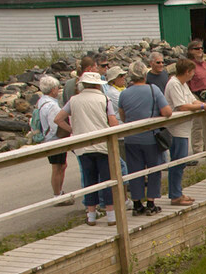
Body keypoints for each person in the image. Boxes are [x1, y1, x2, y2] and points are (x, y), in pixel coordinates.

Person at [54, 71, 119, 226]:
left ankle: (91, 215)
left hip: (82, 145)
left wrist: (73, 130)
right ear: (98, 85)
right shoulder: (104, 99)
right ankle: (111, 215)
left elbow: (58, 119)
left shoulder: (74, 100)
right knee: (107, 180)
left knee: (89, 180)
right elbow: (113, 122)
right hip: (102, 144)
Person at [118, 60, 172, 215]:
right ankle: (151, 202)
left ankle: (136, 203)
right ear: (144, 74)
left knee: (135, 170)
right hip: (150, 137)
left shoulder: (124, 93)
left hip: (131, 138)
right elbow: (167, 111)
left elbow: (123, 116)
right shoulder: (153, 90)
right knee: (154, 169)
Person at [164, 58, 206, 206]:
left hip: (184, 129)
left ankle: (178, 192)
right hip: (176, 130)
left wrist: (205, 104)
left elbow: (192, 101)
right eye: (192, 72)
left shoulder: (183, 84)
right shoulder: (173, 84)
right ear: (187, 72)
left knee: (181, 162)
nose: (193, 75)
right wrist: (202, 107)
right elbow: (181, 106)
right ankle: (175, 195)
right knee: (178, 162)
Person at [35, 75, 69, 203]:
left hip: (47, 138)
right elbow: (55, 124)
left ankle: (59, 192)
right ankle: (57, 194)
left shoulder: (41, 102)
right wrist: (69, 130)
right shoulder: (52, 106)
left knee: (61, 165)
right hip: (54, 139)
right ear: (53, 89)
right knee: (58, 167)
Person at [186, 40, 206, 155]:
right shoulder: (190, 65)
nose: (200, 50)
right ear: (191, 51)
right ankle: (197, 149)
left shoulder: (204, 63)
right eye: (197, 49)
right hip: (196, 94)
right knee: (198, 124)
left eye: (201, 48)